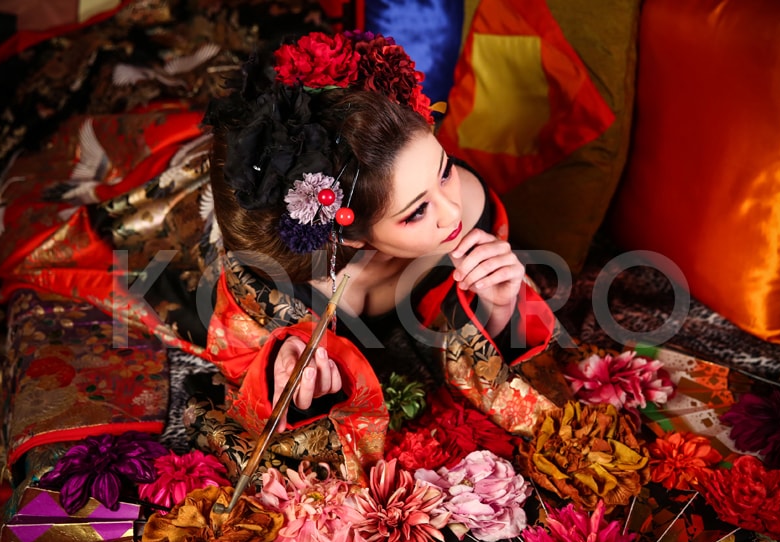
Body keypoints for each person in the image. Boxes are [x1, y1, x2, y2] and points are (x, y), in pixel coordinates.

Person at [196, 30, 563, 481]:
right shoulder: (273, 280)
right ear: (352, 235)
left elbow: (499, 355)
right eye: (417, 211)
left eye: (443, 171)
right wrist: (285, 384)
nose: (452, 213)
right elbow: (237, 377)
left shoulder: (471, 206)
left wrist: (503, 308)